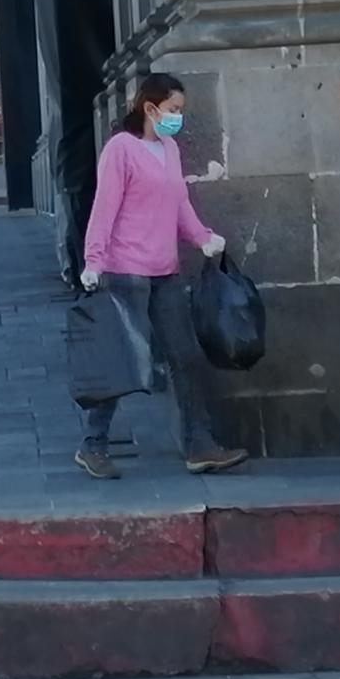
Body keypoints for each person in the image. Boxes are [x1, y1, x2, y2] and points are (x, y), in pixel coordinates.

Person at [77, 72, 249, 480]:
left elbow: (179, 204)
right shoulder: (121, 149)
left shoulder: (169, 149)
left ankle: (200, 445)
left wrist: (203, 238)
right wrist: (93, 260)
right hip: (125, 271)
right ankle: (93, 445)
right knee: (122, 363)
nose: (178, 118)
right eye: (173, 110)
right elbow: (105, 208)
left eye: (181, 111)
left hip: (165, 271)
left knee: (185, 358)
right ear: (150, 108)